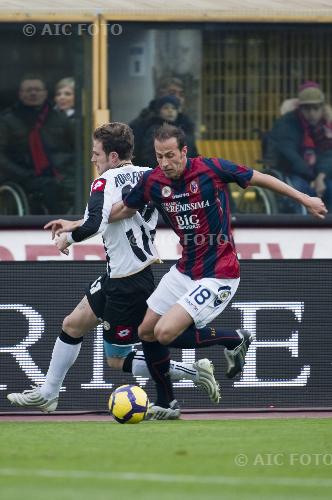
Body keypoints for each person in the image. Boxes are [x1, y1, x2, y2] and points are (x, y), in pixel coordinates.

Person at [105, 123, 326, 419]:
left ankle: (232, 338)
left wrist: (305, 199)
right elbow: (120, 210)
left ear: (184, 152)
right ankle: (168, 403)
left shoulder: (212, 169)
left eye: (170, 155)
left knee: (165, 332)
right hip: (185, 270)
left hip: (220, 272)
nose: (165, 163)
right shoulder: (153, 181)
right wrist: (80, 226)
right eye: (159, 156)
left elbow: (260, 178)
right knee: (146, 331)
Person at [7, 122, 220, 416]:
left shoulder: (104, 182)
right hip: (120, 274)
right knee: (72, 324)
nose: (93, 159)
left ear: (114, 157)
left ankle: (194, 373)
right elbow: (119, 214)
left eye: (97, 154)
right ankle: (48, 394)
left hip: (127, 282)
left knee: (117, 360)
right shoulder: (150, 175)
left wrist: (68, 237)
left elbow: (97, 222)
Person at [0, 75, 74, 214]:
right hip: (22, 176)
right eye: (28, 90)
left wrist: (67, 171)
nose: (33, 93)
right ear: (20, 94)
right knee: (48, 187)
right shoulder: (7, 120)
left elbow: (75, 148)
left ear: (45, 93)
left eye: (37, 90)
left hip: (60, 173)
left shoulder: (59, 118)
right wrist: (23, 174)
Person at [270, 82, 332, 211]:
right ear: (300, 108)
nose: (312, 113)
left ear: (322, 108)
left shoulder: (326, 127)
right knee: (300, 191)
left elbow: (328, 153)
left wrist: (320, 176)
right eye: (307, 108)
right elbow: (291, 156)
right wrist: (313, 178)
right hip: (293, 172)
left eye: (316, 108)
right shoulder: (287, 123)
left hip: (319, 174)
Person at [130, 76, 197, 167]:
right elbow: (139, 156)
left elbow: (193, 153)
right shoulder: (145, 122)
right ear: (161, 93)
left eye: (181, 94)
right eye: (172, 93)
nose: (177, 97)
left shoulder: (186, 124)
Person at [138, 95, 197, 168]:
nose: (170, 111)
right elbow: (149, 156)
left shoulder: (186, 129)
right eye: (166, 108)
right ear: (159, 111)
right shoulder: (154, 130)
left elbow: (193, 153)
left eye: (174, 108)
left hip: (186, 172)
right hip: (164, 172)